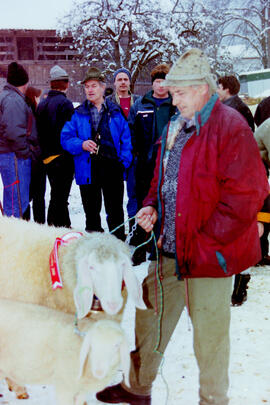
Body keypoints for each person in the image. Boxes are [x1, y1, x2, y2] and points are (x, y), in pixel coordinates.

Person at [96, 49, 268, 405]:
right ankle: (138, 387)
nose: (173, 99)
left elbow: (247, 196)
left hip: (209, 255)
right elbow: (162, 178)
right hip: (169, 247)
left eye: (181, 93)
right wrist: (151, 206)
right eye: (172, 93)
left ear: (204, 89)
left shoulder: (230, 127)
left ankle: (212, 401)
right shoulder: (176, 124)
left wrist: (203, 240)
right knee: (149, 319)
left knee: (210, 340)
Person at [61, 67, 132, 240]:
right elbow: (66, 138)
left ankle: (117, 247)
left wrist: (122, 162)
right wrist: (82, 144)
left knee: (115, 212)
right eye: (87, 87)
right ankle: (94, 251)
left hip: (112, 169)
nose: (90, 90)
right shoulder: (78, 113)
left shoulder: (115, 112)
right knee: (91, 215)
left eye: (93, 86)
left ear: (102, 87)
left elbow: (127, 140)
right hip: (88, 169)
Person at [128, 63, 177, 265]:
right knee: (143, 204)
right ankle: (140, 245)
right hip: (144, 163)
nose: (161, 85)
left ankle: (160, 246)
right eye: (158, 81)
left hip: (169, 163)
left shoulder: (176, 105)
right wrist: (135, 154)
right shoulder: (140, 105)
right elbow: (130, 131)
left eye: (165, 81)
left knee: (165, 202)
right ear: (152, 84)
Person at [36, 65, 74, 228]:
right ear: (65, 84)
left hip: (46, 158)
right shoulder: (65, 104)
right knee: (60, 197)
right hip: (63, 158)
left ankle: (63, 225)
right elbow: (70, 133)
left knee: (56, 195)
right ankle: (55, 227)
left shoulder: (42, 104)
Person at [0, 62, 39, 219]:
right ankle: (14, 237)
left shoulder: (8, 96)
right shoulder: (13, 100)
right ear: (25, 81)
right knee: (16, 201)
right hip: (14, 156)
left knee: (13, 198)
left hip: (11, 155)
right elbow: (14, 132)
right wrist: (25, 151)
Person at [107, 67, 140, 238]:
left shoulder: (139, 102)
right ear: (114, 82)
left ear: (129, 82)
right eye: (119, 79)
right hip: (115, 158)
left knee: (134, 195)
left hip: (134, 156)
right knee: (114, 198)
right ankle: (117, 233)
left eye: (125, 79)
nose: (122, 83)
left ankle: (134, 230)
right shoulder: (108, 103)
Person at [25, 86, 46, 224]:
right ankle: (39, 226)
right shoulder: (34, 114)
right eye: (38, 97)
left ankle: (26, 225)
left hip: (29, 159)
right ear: (33, 98)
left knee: (26, 197)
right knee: (38, 197)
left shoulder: (25, 112)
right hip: (35, 160)